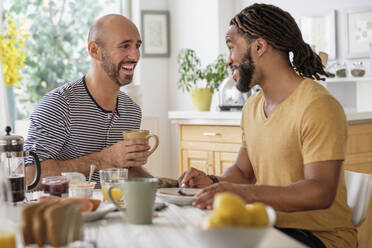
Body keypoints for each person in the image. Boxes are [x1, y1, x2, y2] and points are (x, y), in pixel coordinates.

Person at [178, 4, 356, 248]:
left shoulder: (318, 105)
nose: (229, 60)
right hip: (268, 228)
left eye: (232, 47)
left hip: (320, 238)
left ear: (259, 47)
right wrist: (212, 184)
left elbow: (320, 191)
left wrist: (244, 193)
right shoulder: (252, 107)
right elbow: (243, 173)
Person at [25, 14, 152, 189]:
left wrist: (175, 185)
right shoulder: (58, 105)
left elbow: (128, 170)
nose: (135, 55)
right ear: (94, 51)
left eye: (137, 46)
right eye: (125, 46)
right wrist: (105, 159)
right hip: (67, 213)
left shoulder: (132, 111)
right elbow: (29, 176)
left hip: (114, 211)